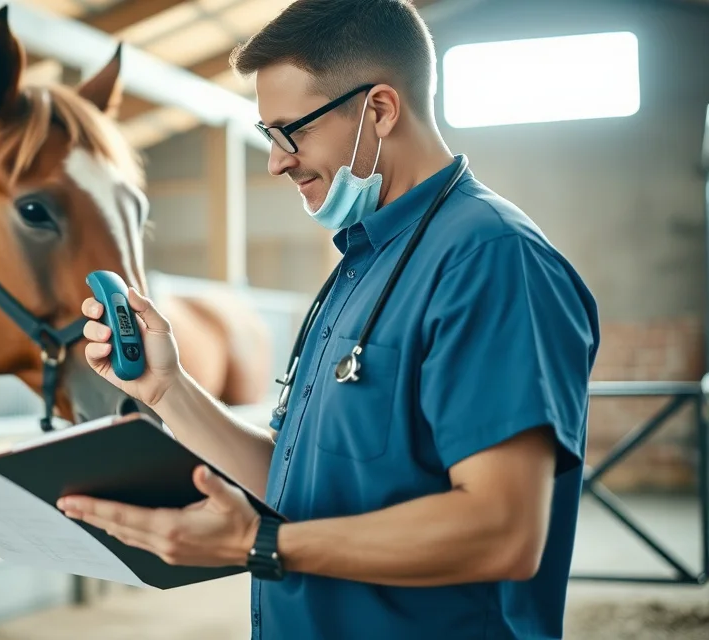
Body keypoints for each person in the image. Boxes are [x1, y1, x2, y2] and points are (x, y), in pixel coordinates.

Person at [55, 1, 601, 638]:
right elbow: (299, 481)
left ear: (379, 110)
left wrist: (260, 546)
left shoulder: (492, 259)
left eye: (291, 130)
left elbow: (502, 531)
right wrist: (167, 388)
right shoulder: (363, 262)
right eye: (268, 135)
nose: (277, 161)